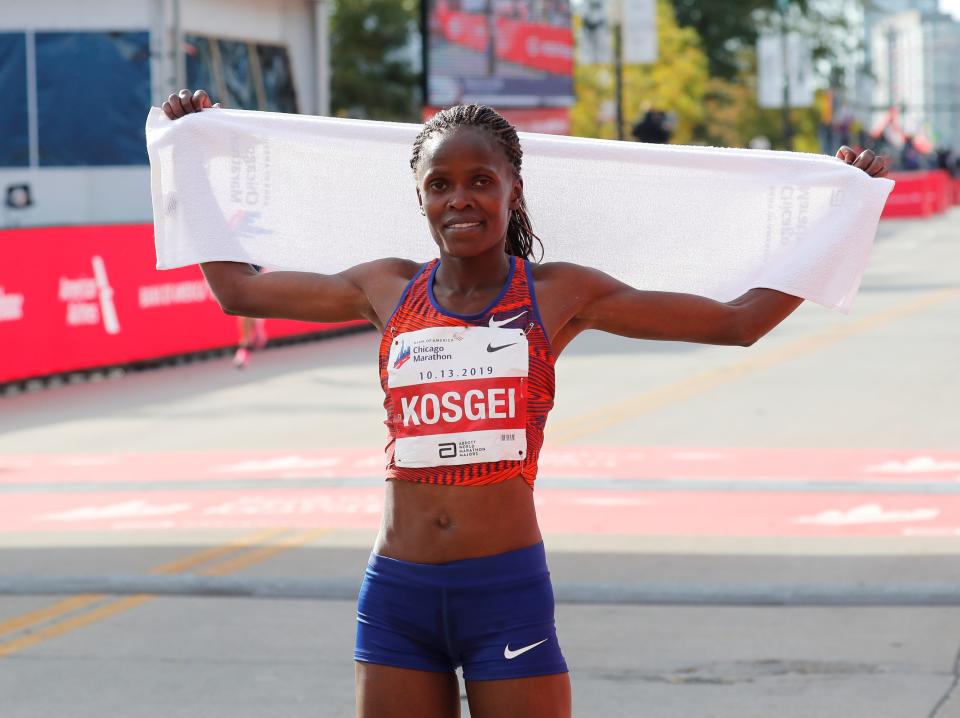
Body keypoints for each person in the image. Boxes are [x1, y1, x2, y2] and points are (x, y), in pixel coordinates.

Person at [162, 88, 890, 718]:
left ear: (512, 187)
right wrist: (193, 158)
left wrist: (841, 217)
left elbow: (737, 322)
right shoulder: (383, 287)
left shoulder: (559, 294)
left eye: (481, 180)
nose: (461, 199)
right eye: (441, 184)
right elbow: (240, 290)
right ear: (419, 196)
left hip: (503, 592)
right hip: (397, 593)